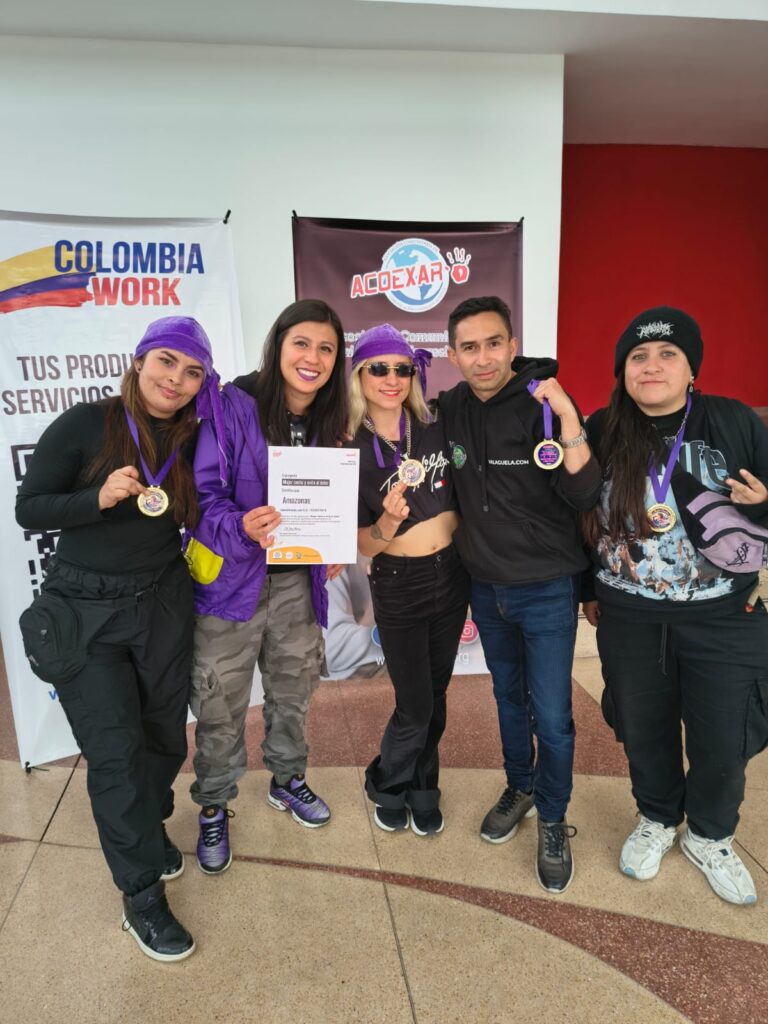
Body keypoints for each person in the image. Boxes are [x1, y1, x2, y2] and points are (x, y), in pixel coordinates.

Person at [15, 316, 222, 962]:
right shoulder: (86, 423)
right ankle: (141, 898)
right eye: (166, 362)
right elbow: (29, 508)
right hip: (85, 610)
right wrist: (95, 498)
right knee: (115, 754)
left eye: (192, 371)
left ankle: (147, 829)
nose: (176, 380)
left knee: (163, 737)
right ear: (139, 361)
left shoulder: (195, 437)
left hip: (162, 602)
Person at [582, 305, 768, 906]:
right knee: (643, 728)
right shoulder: (602, 428)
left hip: (725, 614)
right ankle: (658, 817)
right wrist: (586, 590)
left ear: (692, 369)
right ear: (622, 370)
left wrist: (763, 505)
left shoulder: (735, 421)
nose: (652, 366)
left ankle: (711, 835)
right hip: (631, 616)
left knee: (724, 735)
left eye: (668, 354)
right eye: (638, 356)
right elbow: (575, 511)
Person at [439, 295, 601, 893]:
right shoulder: (449, 408)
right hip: (487, 589)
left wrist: (570, 420)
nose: (483, 358)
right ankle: (521, 786)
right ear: (452, 354)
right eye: (469, 347)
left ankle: (553, 818)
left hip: (548, 589)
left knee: (553, 715)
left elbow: (585, 494)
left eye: (493, 344)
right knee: (508, 699)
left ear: (512, 345)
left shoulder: (545, 402)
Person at [185, 299, 347, 873]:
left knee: (293, 689)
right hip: (230, 585)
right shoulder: (231, 406)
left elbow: (334, 499)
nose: (312, 358)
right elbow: (201, 497)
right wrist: (240, 527)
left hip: (298, 585)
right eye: (301, 343)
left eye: (326, 348)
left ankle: (287, 779)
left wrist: (332, 545)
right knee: (219, 699)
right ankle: (213, 805)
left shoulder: (331, 419)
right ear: (278, 345)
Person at [348, 323, 470, 836]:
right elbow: (364, 545)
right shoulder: (349, 445)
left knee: (435, 695)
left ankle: (423, 788)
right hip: (399, 580)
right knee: (415, 704)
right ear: (359, 375)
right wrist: (387, 522)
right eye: (379, 368)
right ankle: (387, 782)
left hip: (453, 574)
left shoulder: (436, 424)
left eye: (402, 369)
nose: (392, 378)